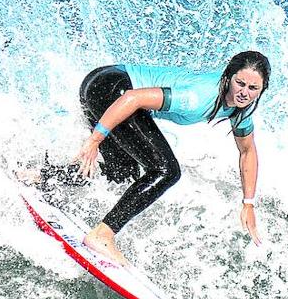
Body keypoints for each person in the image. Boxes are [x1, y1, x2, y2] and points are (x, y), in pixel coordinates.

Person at [70, 51, 270, 266]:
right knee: (166, 171)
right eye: (240, 83)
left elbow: (247, 151)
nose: (244, 93)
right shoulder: (196, 98)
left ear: (262, 89)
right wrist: (95, 139)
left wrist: (248, 203)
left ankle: (44, 177)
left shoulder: (242, 110)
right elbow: (133, 98)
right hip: (110, 89)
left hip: (101, 82)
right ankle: (102, 235)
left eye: (253, 88)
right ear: (228, 77)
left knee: (121, 171)